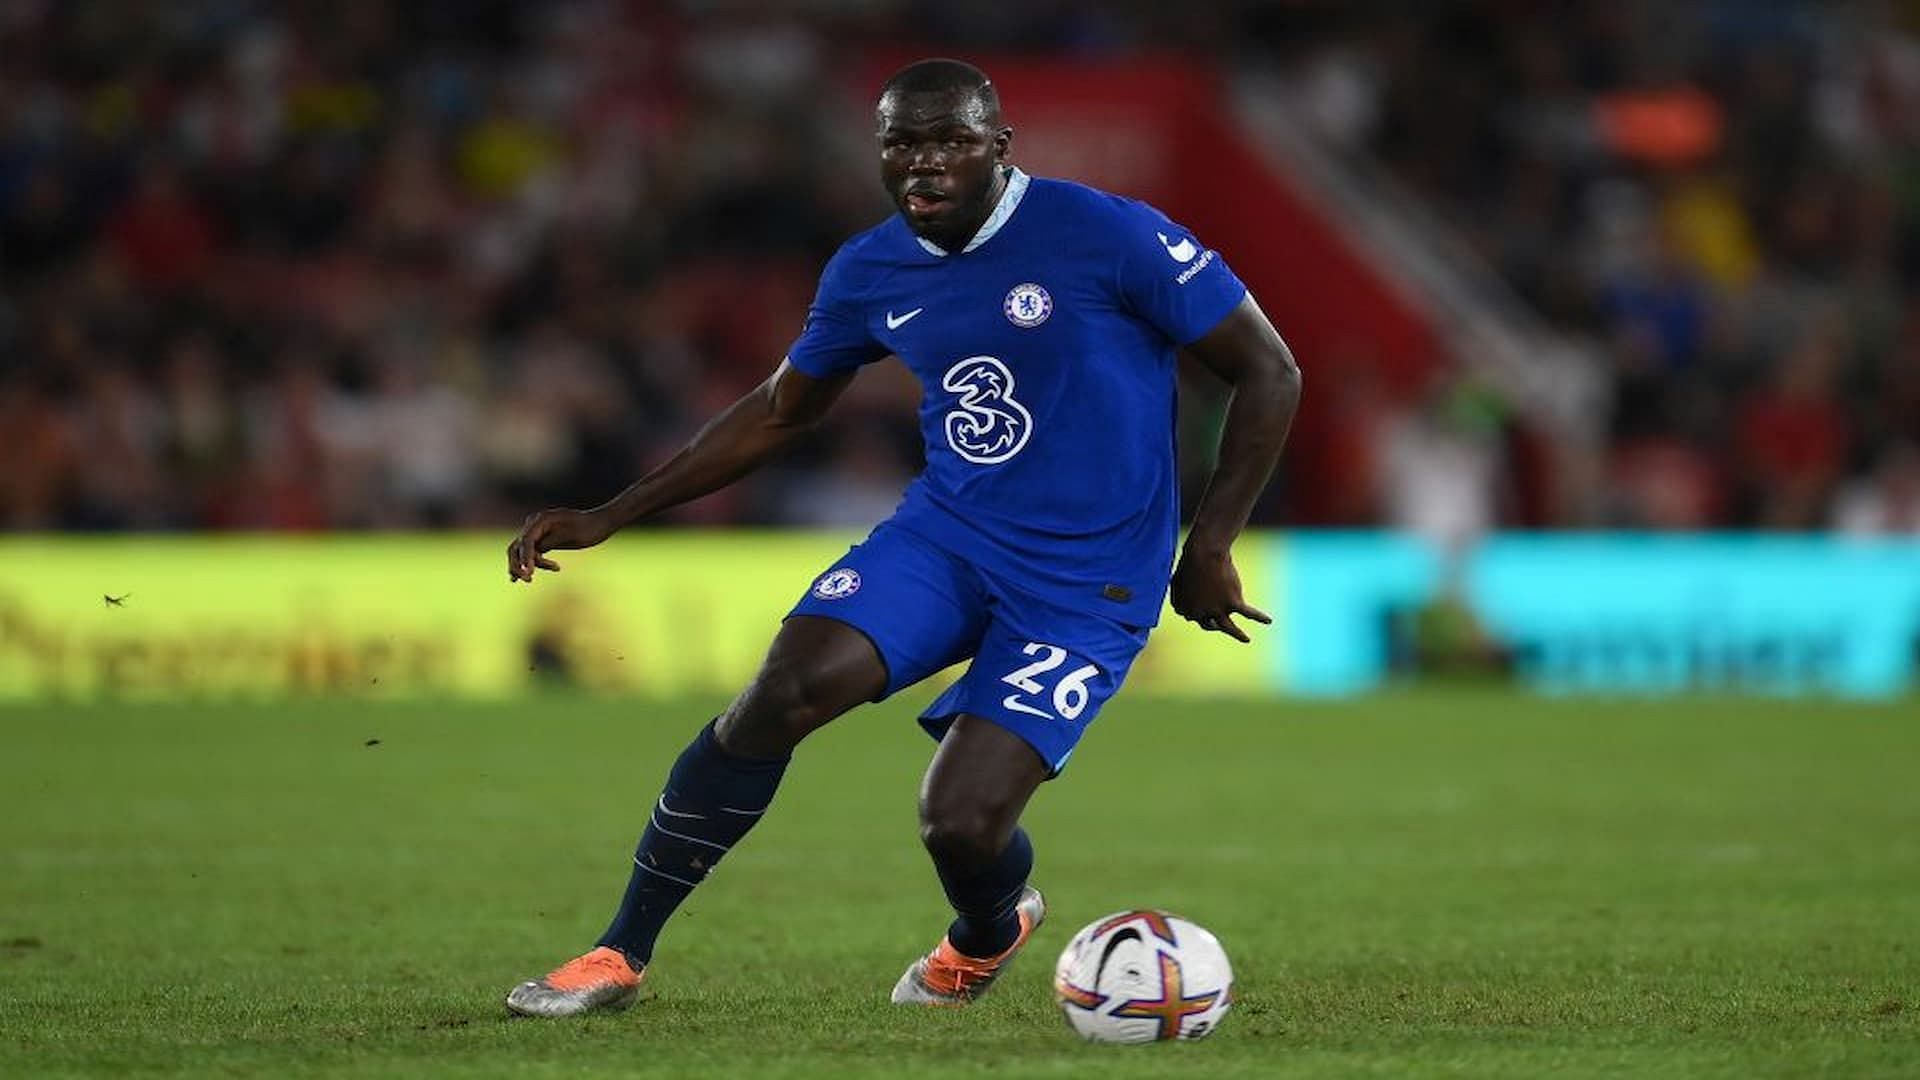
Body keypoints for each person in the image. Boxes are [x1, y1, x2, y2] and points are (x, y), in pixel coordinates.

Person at [502, 58, 1301, 1017]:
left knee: (958, 824)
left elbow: (1269, 370)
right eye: (902, 143)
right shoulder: (871, 268)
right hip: (949, 539)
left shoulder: (1107, 233)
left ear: (1000, 148)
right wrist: (614, 512)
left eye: (952, 141)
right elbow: (779, 412)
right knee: (778, 694)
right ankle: (617, 953)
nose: (924, 164)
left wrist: (1209, 543)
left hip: (1091, 584)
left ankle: (990, 926)